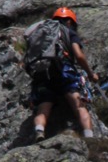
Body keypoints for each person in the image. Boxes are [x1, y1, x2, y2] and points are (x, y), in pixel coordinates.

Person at [25, 7, 99, 142]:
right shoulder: (69, 32)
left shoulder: (43, 32)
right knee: (79, 105)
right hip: (64, 70)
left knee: (43, 107)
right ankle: (89, 137)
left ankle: (40, 131)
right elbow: (79, 55)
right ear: (70, 22)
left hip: (42, 72)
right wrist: (90, 73)